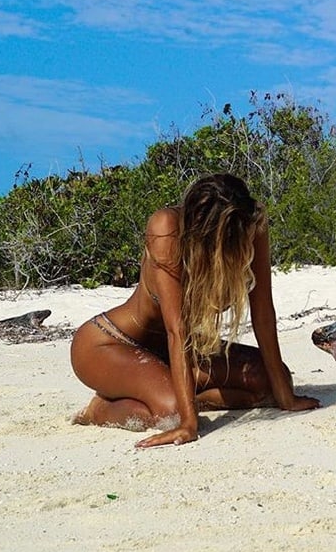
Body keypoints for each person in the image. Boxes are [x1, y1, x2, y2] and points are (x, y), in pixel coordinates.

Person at [70, 173, 319, 448]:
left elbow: (262, 312)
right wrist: (188, 423)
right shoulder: (167, 230)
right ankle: (100, 410)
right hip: (111, 344)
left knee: (272, 380)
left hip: (175, 351)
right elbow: (177, 331)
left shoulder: (251, 222)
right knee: (172, 412)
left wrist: (285, 397)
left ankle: (169, 387)